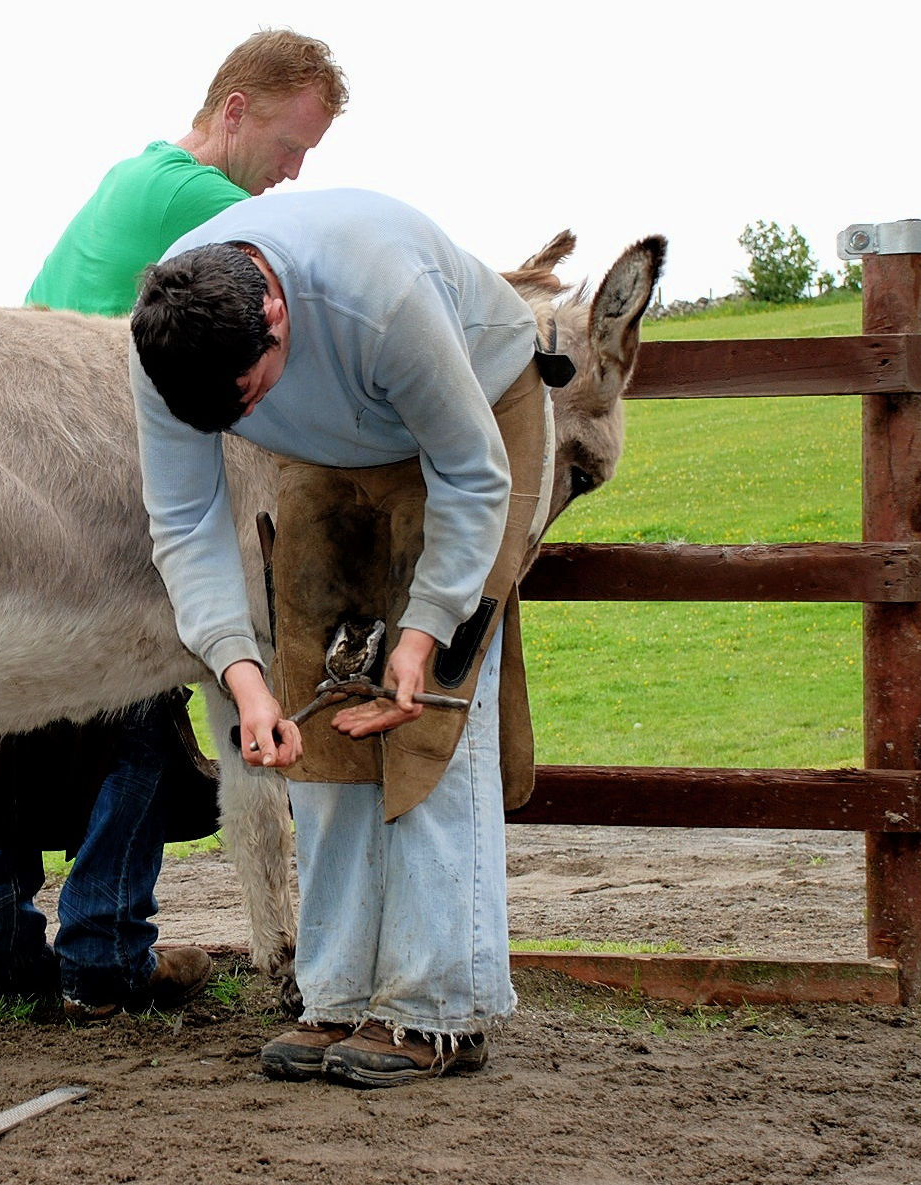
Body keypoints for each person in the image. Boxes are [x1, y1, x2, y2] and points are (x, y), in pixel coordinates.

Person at [0, 29, 348, 1023]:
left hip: (14, 478)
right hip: (96, 487)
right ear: (234, 112)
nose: (291, 177)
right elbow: (330, 274)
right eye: (291, 147)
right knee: (141, 703)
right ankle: (104, 955)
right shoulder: (187, 196)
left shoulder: (131, 183)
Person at [128, 188, 549, 1085]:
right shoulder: (172, 346)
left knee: (424, 714)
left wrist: (426, 629)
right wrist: (244, 680)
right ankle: (341, 994)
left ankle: (438, 1010)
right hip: (329, 448)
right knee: (318, 710)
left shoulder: (380, 297)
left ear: (275, 313)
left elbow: (472, 475)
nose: (229, 422)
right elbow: (184, 522)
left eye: (243, 398)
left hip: (473, 419)